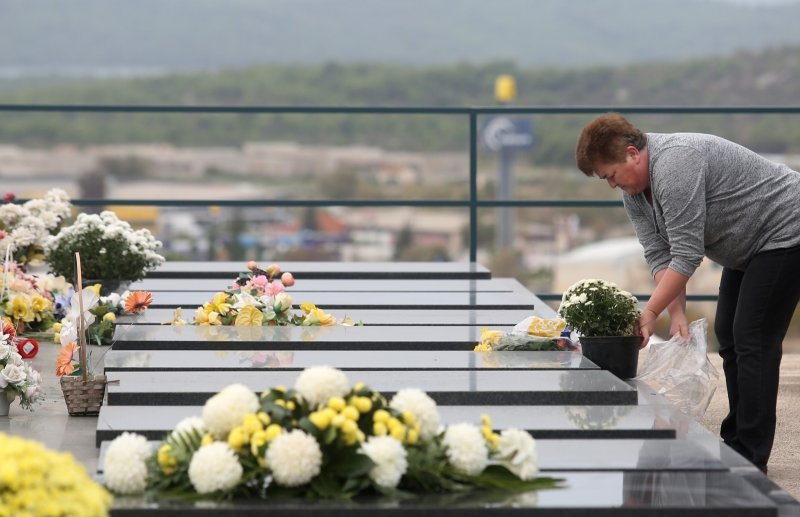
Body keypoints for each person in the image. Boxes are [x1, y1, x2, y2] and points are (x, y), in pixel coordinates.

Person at [574, 112, 800, 474]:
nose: (612, 185)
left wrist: (648, 315)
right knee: (727, 334)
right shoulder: (635, 194)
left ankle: (750, 454)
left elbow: (687, 254)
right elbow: (661, 256)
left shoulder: (676, 163)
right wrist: (676, 315)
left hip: (786, 230)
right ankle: (737, 441)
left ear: (633, 153)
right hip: (747, 248)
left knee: (753, 338)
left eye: (611, 175)